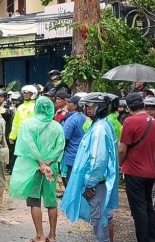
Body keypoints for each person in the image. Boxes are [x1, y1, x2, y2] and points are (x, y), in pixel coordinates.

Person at [61, 93, 119, 242]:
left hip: (98, 183)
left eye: (90, 106)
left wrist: (89, 183)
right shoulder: (100, 124)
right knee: (100, 218)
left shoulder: (100, 128)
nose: (87, 109)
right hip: (99, 181)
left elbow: (98, 160)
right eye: (86, 106)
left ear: (100, 107)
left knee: (99, 220)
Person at [10, 97, 64, 242]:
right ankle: (52, 236)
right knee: (51, 200)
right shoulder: (57, 126)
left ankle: (39, 235)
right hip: (51, 166)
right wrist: (48, 162)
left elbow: (29, 145)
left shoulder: (28, 125)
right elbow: (60, 147)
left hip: (33, 165)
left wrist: (41, 163)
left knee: (34, 200)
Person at [119, 93, 155, 242]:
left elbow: (122, 149)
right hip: (150, 171)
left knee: (138, 210)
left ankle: (143, 239)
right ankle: (154, 237)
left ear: (129, 108)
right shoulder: (154, 121)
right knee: (148, 206)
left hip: (134, 171)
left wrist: (119, 163)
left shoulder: (130, 121)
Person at [62, 95, 86, 187]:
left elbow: (65, 138)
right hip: (80, 153)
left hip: (71, 154)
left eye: (69, 103)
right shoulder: (84, 117)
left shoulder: (72, 119)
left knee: (70, 180)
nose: (67, 104)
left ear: (75, 106)